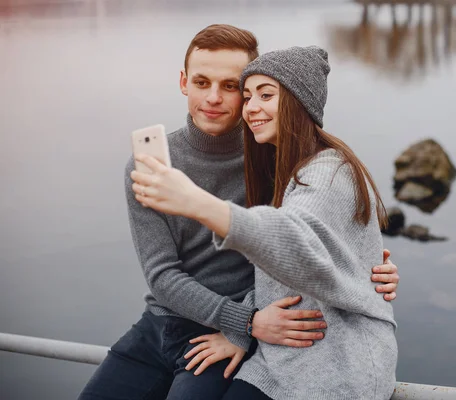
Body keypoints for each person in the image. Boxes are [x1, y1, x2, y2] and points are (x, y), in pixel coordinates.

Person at [78, 25, 399, 400]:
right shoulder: (151, 164)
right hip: (168, 320)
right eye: (201, 82)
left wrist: (370, 271)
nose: (214, 98)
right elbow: (161, 274)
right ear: (184, 82)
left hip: (238, 330)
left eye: (231, 87)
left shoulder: (275, 158)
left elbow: (300, 235)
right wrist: (244, 322)